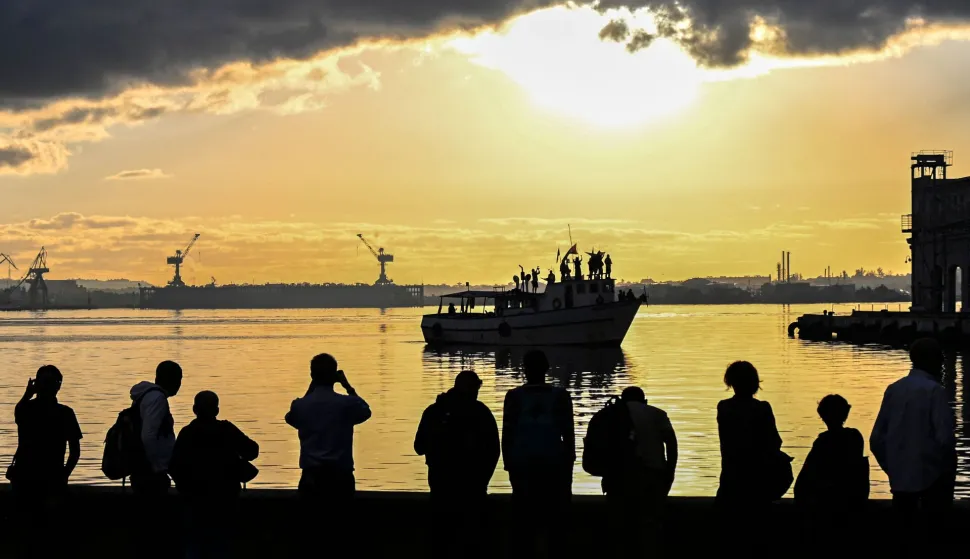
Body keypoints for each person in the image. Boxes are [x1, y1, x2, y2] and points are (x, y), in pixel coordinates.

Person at [870, 338, 955, 556]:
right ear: (934, 361)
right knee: (932, 539)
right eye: (940, 360)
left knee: (902, 540)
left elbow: (876, 439)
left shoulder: (893, 389)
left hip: (900, 480)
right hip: (932, 480)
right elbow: (945, 439)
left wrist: (892, 467)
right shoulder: (935, 391)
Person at [285, 353, 371, 548]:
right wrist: (348, 386)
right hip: (340, 477)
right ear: (334, 376)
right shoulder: (346, 404)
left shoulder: (301, 405)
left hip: (311, 477)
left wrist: (310, 389)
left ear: (312, 375)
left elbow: (291, 418)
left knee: (311, 534)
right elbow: (365, 411)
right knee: (340, 533)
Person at [415, 371, 500, 559]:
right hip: (473, 489)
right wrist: (483, 480)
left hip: (440, 486)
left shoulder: (433, 411)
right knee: (472, 542)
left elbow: (419, 447)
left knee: (441, 540)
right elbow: (494, 450)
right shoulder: (480, 412)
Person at [502, 350, 575, 559]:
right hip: (554, 465)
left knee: (523, 522)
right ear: (547, 368)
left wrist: (508, 463)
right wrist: (568, 465)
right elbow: (568, 435)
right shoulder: (561, 396)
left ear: (524, 370)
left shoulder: (514, 396)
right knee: (555, 522)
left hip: (522, 464)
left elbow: (507, 433)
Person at [170, 391, 260, 559]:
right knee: (222, 546)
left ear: (194, 409)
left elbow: (174, 466)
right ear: (217, 410)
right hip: (225, 500)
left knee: (194, 546)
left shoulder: (187, 433)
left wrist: (185, 488)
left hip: (194, 500)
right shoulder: (227, 430)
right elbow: (252, 451)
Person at [10, 365, 82, 558]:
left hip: (24, 480)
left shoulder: (25, 409)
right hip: (52, 481)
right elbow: (75, 451)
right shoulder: (66, 413)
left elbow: (19, 411)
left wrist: (27, 394)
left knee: (27, 535)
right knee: (51, 535)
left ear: (36, 386)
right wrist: (64, 475)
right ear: (58, 386)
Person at [716, 361, 783, 551]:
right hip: (757, 480)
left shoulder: (724, 407)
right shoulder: (762, 408)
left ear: (731, 382)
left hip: (731, 478)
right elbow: (774, 441)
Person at [603, 387, 677, 555]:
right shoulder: (657, 414)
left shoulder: (611, 414)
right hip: (652, 477)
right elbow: (671, 445)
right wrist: (669, 473)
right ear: (645, 401)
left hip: (619, 479)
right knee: (649, 526)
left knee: (621, 528)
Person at [793, 395, 867, 552]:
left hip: (828, 503)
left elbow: (804, 481)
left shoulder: (823, 442)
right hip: (851, 500)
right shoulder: (855, 437)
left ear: (823, 416)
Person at [129, 360, 183, 496]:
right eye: (178, 379)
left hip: (144, 467)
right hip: (150, 472)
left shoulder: (146, 396)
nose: (179, 384)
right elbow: (148, 435)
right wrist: (157, 467)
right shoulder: (157, 399)